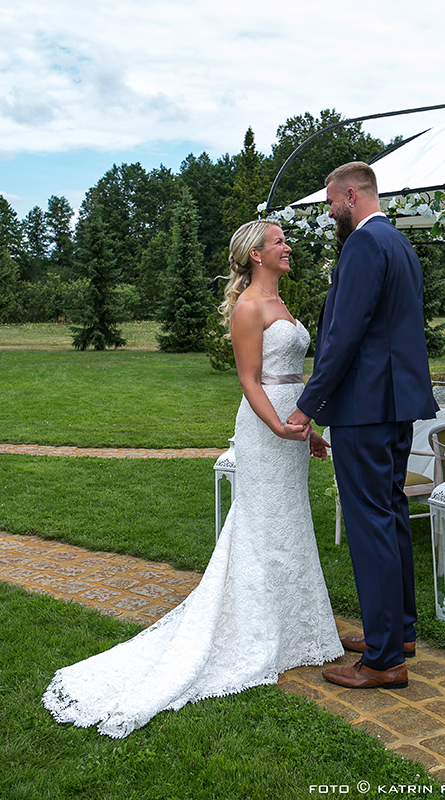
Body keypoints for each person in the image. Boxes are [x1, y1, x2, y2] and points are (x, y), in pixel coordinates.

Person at [42, 219, 343, 738]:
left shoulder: (283, 304)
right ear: (255, 254)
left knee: (289, 523)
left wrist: (307, 429)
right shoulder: (249, 307)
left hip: (292, 426)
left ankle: (293, 627)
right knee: (261, 524)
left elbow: (293, 375)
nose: (287, 247)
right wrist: (277, 426)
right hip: (265, 427)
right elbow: (249, 380)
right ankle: (255, 629)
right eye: (279, 242)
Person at [288, 162, 438, 690]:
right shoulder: (398, 243)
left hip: (365, 406)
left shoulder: (362, 246)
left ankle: (382, 660)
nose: (331, 212)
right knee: (392, 511)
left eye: (331, 203)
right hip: (396, 405)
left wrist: (309, 405)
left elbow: (343, 336)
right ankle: (399, 632)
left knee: (369, 521)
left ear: (351, 195)